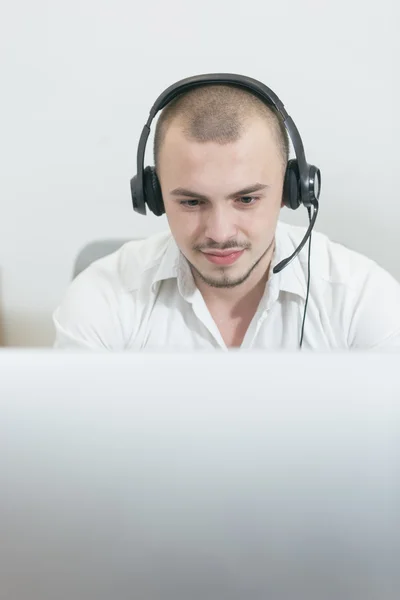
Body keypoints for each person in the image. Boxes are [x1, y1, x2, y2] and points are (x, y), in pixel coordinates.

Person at [53, 75, 400, 351]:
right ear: (153, 196)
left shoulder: (362, 300)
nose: (219, 233)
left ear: (291, 190)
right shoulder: (103, 298)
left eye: (246, 199)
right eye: (191, 202)